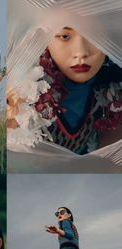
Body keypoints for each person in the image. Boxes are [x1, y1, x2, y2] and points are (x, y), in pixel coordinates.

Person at [7, 27, 122, 155]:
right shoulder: (19, 92)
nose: (81, 53)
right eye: (64, 37)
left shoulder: (113, 97)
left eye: (93, 37)